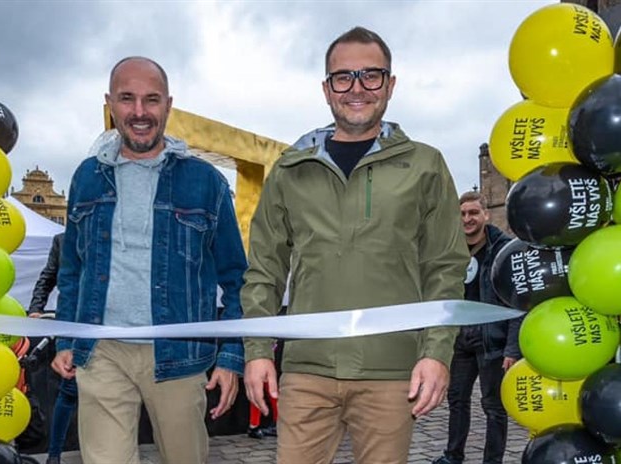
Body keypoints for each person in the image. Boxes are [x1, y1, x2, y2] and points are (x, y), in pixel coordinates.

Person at [241, 26, 470, 464]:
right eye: (343, 77)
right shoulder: (290, 169)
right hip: (306, 371)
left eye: (371, 75)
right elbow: (265, 269)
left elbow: (445, 267)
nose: (357, 88)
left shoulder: (425, 165)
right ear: (327, 89)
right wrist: (256, 351)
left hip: (392, 373)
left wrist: (437, 353)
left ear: (390, 84)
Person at [51, 56, 248, 464]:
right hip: (101, 352)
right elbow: (72, 270)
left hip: (179, 356)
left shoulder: (205, 181)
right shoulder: (86, 177)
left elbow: (236, 278)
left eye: (151, 100)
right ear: (110, 103)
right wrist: (66, 339)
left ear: (168, 105)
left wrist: (232, 356)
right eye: (127, 98)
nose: (139, 112)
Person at [432, 191, 521, 464]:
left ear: (486, 215)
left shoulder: (505, 251)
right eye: (462, 214)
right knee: (457, 400)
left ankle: (492, 461)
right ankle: (453, 456)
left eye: (473, 212)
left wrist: (512, 349)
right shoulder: (452, 250)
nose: (467, 219)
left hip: (492, 341)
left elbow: (517, 300)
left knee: (493, 407)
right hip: (460, 339)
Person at [28, 232, 77, 464]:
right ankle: (54, 454)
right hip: (71, 322)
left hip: (105, 324)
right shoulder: (62, 240)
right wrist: (36, 308)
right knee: (68, 390)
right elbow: (48, 277)